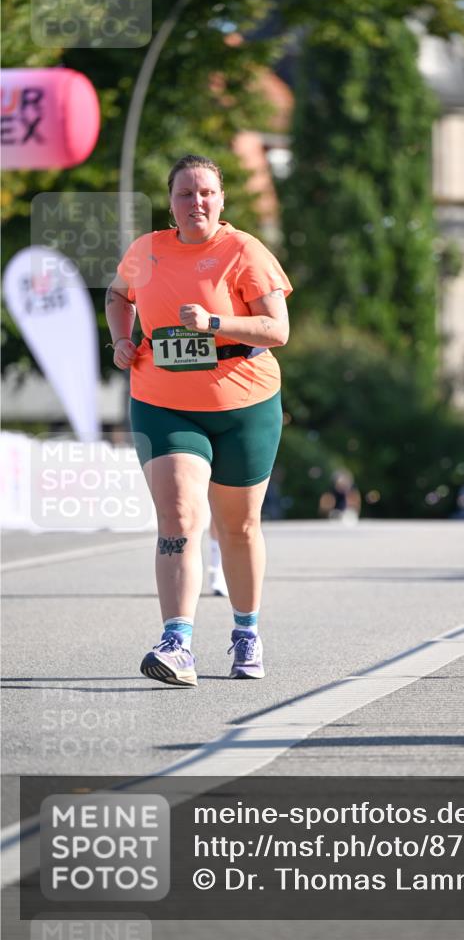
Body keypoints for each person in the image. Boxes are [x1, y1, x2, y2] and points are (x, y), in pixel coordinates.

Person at [105, 154, 292, 686]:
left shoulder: (244, 250)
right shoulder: (147, 251)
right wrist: (122, 337)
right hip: (164, 401)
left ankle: (246, 631)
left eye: (206, 192)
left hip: (245, 404)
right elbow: (119, 295)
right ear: (171, 203)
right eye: (185, 194)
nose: (197, 203)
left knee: (238, 527)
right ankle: (177, 641)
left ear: (222, 199)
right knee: (181, 516)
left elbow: (277, 330)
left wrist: (216, 323)